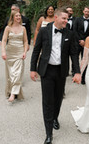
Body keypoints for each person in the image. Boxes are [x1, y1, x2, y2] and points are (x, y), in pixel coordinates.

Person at [30, 8, 80, 144]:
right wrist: (32, 69)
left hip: (61, 71)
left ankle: (55, 117)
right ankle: (48, 134)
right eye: (64, 18)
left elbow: (74, 54)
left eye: (67, 18)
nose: (66, 21)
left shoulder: (70, 33)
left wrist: (77, 72)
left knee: (58, 99)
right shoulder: (44, 31)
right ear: (56, 18)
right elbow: (36, 50)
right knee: (47, 101)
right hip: (46, 70)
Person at [1, 11, 28, 102]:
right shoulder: (8, 28)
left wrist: (25, 52)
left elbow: (25, 41)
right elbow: (4, 41)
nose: (18, 17)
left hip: (19, 52)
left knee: (17, 73)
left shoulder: (23, 28)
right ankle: (12, 91)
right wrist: (3, 52)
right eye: (16, 16)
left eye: (19, 16)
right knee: (11, 74)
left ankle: (13, 94)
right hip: (10, 52)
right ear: (12, 17)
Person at [73, 6, 89, 84]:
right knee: (75, 59)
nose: (86, 13)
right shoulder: (77, 20)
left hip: (86, 44)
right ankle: (76, 76)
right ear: (83, 11)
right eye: (85, 11)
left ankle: (83, 77)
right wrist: (80, 41)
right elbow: (74, 31)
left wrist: (85, 41)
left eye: (88, 12)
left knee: (85, 59)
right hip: (77, 42)